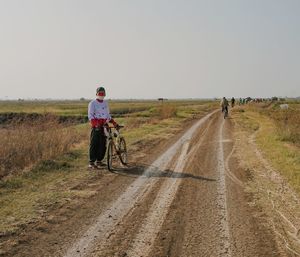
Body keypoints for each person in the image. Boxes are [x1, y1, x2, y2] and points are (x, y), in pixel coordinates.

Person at [88, 86, 118, 169]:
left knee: (103, 144)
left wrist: (113, 122)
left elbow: (107, 115)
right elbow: (90, 116)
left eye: (103, 93)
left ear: (105, 94)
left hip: (105, 126)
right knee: (94, 144)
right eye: (100, 93)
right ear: (96, 94)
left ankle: (99, 161)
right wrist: (96, 124)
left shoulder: (105, 103)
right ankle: (91, 162)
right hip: (96, 126)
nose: (101, 95)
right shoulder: (92, 103)